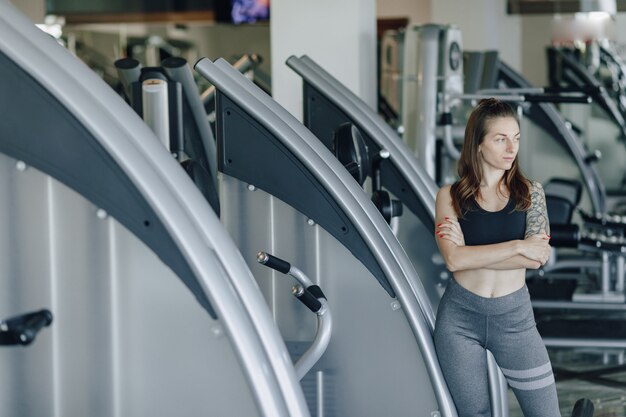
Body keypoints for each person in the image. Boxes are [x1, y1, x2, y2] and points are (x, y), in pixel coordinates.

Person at [434, 98, 560, 417]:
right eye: (500, 138)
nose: (511, 148)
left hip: (515, 319)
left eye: (516, 138)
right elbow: (453, 261)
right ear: (478, 144)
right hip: (459, 320)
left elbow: (537, 258)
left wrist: (471, 254)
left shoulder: (532, 193)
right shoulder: (449, 196)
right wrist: (517, 247)